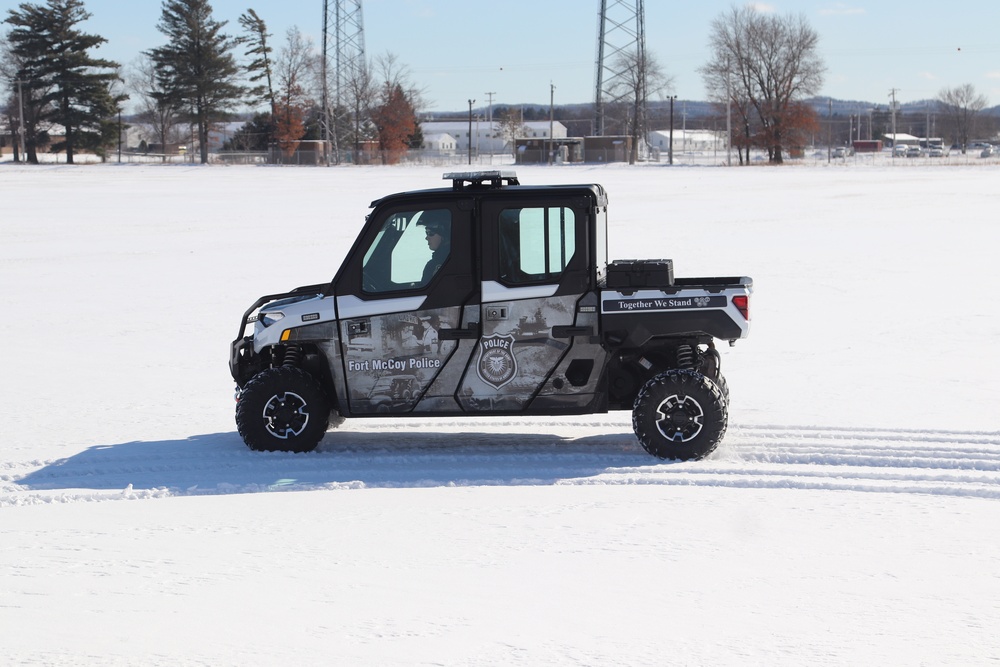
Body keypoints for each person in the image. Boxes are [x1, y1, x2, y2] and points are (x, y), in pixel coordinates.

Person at [418, 210, 451, 284]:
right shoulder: (435, 263)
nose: (426, 238)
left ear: (445, 234)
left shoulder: (444, 264)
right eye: (426, 233)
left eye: (430, 233)